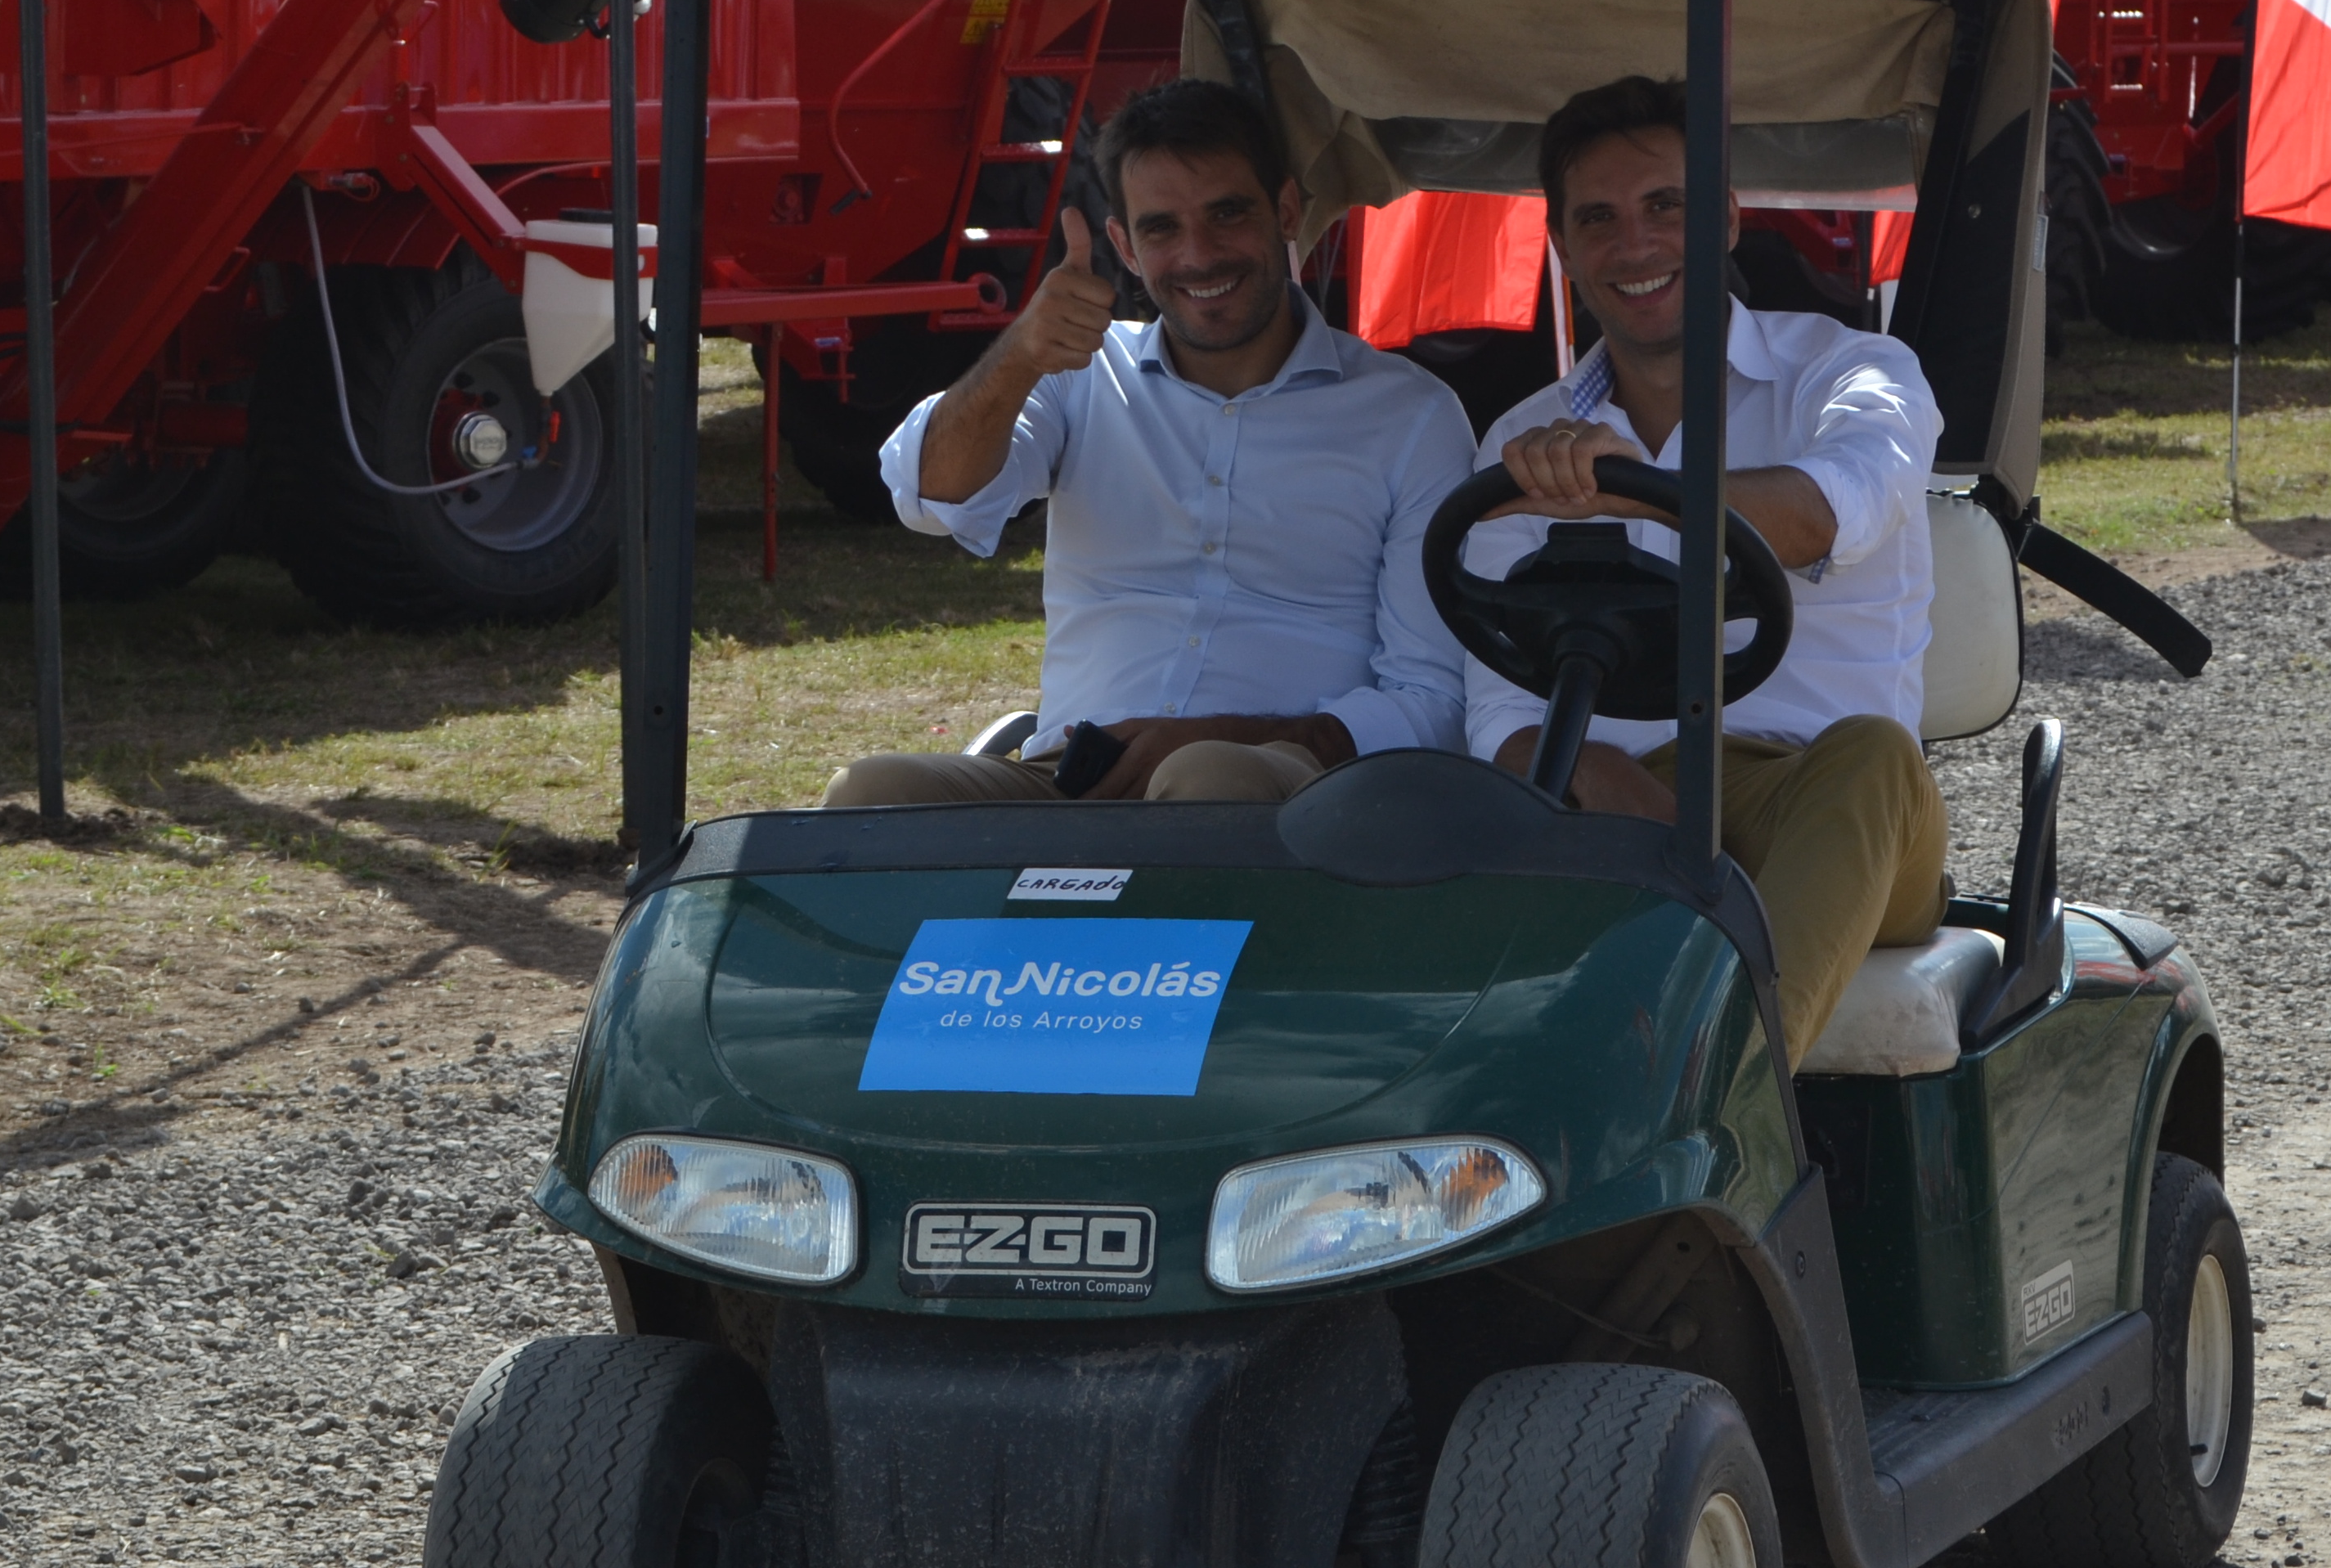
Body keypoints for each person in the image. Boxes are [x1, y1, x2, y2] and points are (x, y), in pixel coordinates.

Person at [1461, 76, 1946, 1067]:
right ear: (1560, 244)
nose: (1633, 246)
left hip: (1823, 807)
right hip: (1619, 807)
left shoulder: (1853, 373)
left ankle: (1723, 1098)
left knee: (1873, 759)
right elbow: (1497, 711)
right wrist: (1605, 783)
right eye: (1597, 217)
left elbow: (1825, 510)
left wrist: (1628, 491)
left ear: (1725, 214)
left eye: (1665, 206)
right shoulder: (1520, 440)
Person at [822, 78, 1475, 806]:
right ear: (1124, 247)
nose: (1198, 256)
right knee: (869, 792)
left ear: (1287, 211)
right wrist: (1021, 354)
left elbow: (1431, 696)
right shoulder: (1078, 373)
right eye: (1163, 228)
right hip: (1070, 775)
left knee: (1206, 780)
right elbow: (933, 496)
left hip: (1293, 784)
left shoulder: (1408, 414)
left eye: (1228, 214)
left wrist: (1235, 737)